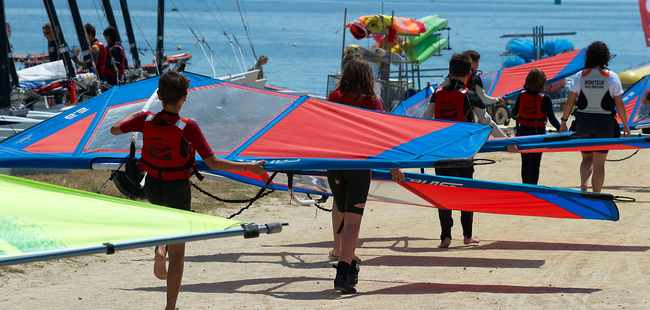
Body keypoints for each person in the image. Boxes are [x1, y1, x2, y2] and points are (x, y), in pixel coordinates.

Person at [110, 71, 265, 310]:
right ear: (185, 97)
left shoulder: (145, 120)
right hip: (177, 188)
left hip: (152, 184)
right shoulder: (188, 126)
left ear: (159, 95)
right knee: (179, 253)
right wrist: (249, 168)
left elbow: (115, 129)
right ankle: (170, 306)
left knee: (163, 224)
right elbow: (213, 162)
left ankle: (160, 248)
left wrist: (136, 114)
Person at [327, 58, 403, 294]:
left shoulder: (334, 97)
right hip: (358, 166)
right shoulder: (372, 101)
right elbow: (383, 136)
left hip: (333, 164)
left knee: (340, 210)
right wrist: (394, 166)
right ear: (367, 78)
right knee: (352, 221)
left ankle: (344, 258)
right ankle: (344, 272)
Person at [423, 53, 508, 249]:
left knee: (443, 192)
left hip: (442, 151)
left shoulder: (438, 93)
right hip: (464, 151)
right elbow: (487, 121)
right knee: (465, 191)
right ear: (469, 72)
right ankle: (467, 236)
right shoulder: (469, 95)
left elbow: (426, 119)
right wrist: (507, 141)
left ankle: (445, 237)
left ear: (450, 71)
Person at [560, 41, 630, 193]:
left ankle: (584, 186)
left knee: (586, 158)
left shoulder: (580, 76)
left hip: (584, 123)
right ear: (606, 57)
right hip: (604, 125)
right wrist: (625, 125)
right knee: (599, 164)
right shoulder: (612, 77)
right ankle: (596, 194)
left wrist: (564, 121)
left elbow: (570, 101)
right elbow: (619, 104)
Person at [512, 69, 561, 185]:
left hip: (522, 133)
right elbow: (553, 119)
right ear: (542, 83)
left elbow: (513, 114)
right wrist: (563, 131)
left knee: (525, 162)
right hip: (538, 134)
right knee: (535, 163)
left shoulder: (521, 95)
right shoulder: (545, 98)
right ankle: (533, 186)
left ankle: (526, 186)